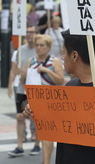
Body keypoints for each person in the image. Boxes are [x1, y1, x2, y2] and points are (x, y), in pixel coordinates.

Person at [24, 30, 95, 164]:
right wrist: (37, 111)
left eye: (63, 52)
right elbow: (59, 125)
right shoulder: (70, 86)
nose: (62, 58)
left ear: (74, 56)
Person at [21, 34, 64, 164]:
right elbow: (24, 81)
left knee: (47, 133)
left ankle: (46, 162)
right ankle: (43, 156)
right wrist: (22, 74)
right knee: (41, 131)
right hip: (36, 101)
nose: (39, 48)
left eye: (42, 45)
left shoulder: (54, 61)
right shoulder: (31, 61)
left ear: (48, 47)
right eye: (37, 45)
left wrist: (47, 71)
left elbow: (60, 80)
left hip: (51, 102)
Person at [7, 25, 39, 157]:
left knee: (36, 118)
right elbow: (14, 69)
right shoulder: (19, 51)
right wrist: (10, 85)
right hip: (21, 88)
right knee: (20, 117)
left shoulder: (40, 49)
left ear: (36, 33)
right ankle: (19, 146)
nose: (29, 34)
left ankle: (37, 144)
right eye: (27, 32)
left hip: (36, 89)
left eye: (32, 32)